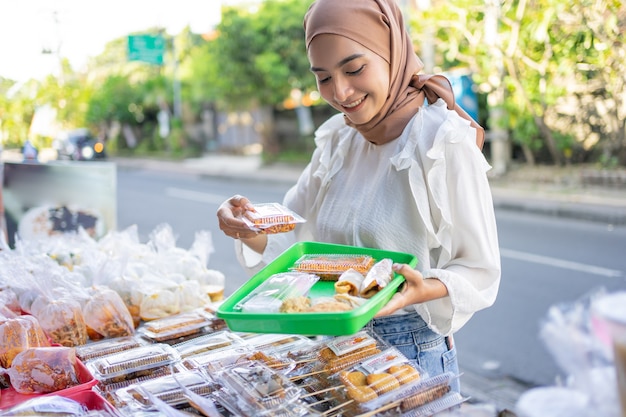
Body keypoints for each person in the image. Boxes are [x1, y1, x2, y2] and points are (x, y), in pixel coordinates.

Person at [216, 0, 501, 393]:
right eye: (323, 77)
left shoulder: (442, 142)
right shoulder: (338, 139)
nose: (341, 92)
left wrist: (419, 290)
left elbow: (480, 269)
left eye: (354, 69)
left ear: (390, 52)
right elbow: (289, 233)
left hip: (408, 352)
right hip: (329, 344)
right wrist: (247, 226)